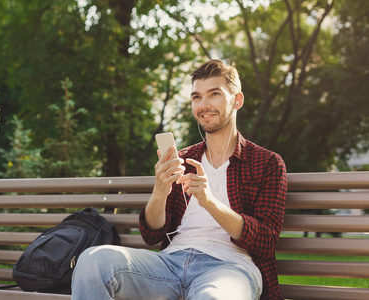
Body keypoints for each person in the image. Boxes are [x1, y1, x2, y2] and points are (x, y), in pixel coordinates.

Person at [71, 59, 288, 300]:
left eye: (214, 94)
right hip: (168, 265)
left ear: (237, 100)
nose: (203, 105)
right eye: (197, 97)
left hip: (229, 269)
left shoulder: (266, 163)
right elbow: (152, 234)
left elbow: (266, 241)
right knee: (93, 261)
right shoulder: (182, 158)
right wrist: (160, 190)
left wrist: (208, 202)